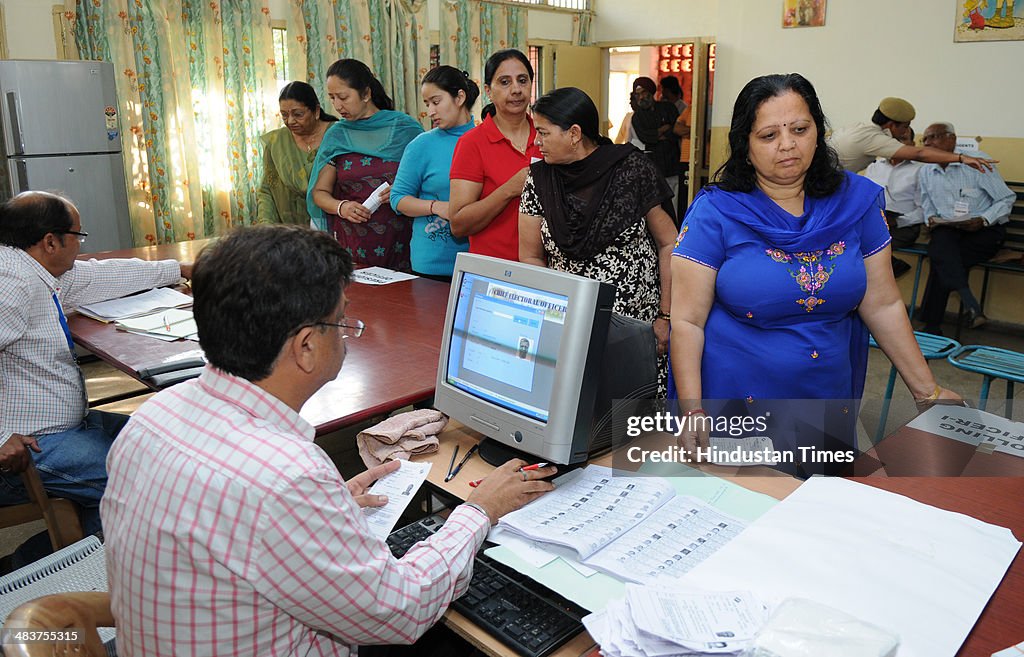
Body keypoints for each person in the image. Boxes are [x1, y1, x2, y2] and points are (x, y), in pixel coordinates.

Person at [101, 225, 557, 656]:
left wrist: (325, 509)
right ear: (305, 346)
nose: (349, 333)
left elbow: (229, 522)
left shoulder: (152, 416)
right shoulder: (284, 477)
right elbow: (402, 610)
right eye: (342, 321)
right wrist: (480, 511)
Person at [669, 74, 961, 463]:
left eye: (800, 129)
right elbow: (687, 320)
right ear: (745, 144)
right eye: (768, 135)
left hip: (826, 392)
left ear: (819, 132)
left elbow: (883, 304)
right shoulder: (717, 212)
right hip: (736, 399)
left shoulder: (856, 202)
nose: (787, 145)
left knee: (816, 508)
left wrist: (928, 392)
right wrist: (692, 410)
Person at [0, 191, 189, 556]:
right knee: (145, 484)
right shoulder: (11, 284)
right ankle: (37, 569)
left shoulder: (31, 266)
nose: (81, 245)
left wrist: (177, 270)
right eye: (78, 236)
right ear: (51, 241)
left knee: (163, 447)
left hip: (64, 426)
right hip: (34, 445)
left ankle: (74, 552)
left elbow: (98, 276)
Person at [519, 87, 677, 395]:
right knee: (578, 417)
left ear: (574, 133)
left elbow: (670, 244)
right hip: (569, 326)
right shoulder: (539, 180)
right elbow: (531, 257)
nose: (536, 142)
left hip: (635, 325)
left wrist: (666, 316)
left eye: (543, 133)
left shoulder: (631, 170)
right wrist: (548, 318)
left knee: (632, 425)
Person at [309, 59, 423, 271]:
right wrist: (341, 207)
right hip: (353, 242)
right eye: (332, 98)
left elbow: (429, 180)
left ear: (366, 94)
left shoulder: (404, 128)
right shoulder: (337, 135)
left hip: (401, 241)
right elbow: (320, 192)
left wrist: (403, 191)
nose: (337, 106)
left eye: (343, 97)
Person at [916, 122, 1015, 334]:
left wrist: (983, 219)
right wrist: (931, 218)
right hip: (949, 231)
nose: (927, 143)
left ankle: (932, 326)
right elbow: (927, 204)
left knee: (941, 257)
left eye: (933, 137)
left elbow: (1006, 198)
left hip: (984, 230)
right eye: (924, 140)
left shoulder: (976, 162)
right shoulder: (925, 170)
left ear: (951, 138)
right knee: (944, 248)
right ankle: (971, 305)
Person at [449, 49, 543, 261]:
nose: (516, 90)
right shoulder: (473, 143)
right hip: (495, 272)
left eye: (522, 80)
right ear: (488, 91)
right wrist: (510, 189)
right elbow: (458, 224)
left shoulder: (548, 135)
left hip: (546, 270)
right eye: (504, 82)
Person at [390, 66, 475, 280]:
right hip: (431, 265)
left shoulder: (483, 140)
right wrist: (437, 207)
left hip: (478, 260)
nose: (430, 112)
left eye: (436, 102)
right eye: (427, 104)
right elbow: (398, 198)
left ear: (460, 97)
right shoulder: (422, 145)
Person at [827, 96, 996, 174]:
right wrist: (961, 158)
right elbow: (919, 153)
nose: (905, 132)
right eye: (905, 127)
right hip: (821, 184)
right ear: (892, 125)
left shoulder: (857, 127)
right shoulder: (874, 137)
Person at [257, 81, 338, 225]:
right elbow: (268, 189)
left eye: (298, 114)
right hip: (292, 228)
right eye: (284, 115)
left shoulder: (338, 135)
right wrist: (266, 225)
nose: (290, 121)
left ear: (316, 111)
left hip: (335, 224)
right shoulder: (277, 142)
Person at [863, 128, 925, 277]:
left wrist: (899, 221)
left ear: (912, 144)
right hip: (874, 223)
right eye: (893, 140)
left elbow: (924, 210)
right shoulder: (874, 167)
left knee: (867, 248)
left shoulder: (921, 170)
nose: (897, 145)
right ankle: (893, 267)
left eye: (902, 139)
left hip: (903, 227)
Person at [630, 77, 680, 211]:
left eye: (644, 92)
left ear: (651, 92)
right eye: (637, 94)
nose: (641, 97)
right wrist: (663, 129)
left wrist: (658, 133)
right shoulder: (637, 117)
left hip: (671, 164)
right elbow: (646, 137)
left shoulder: (668, 108)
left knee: (674, 204)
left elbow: (675, 131)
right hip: (653, 166)